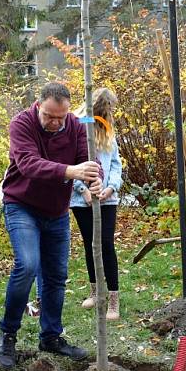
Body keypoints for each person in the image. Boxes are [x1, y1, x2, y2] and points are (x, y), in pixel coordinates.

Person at [0, 81, 102, 370]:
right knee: (27, 265)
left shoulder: (77, 126)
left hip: (56, 211)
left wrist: (96, 179)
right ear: (38, 106)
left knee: (56, 275)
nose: (55, 123)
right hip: (21, 206)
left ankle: (51, 336)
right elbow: (29, 164)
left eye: (60, 117)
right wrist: (70, 171)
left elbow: (89, 162)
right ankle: (7, 334)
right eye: (49, 116)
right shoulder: (22, 124)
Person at [70, 88, 123, 320]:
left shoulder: (109, 132)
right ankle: (95, 292)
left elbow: (115, 165)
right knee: (90, 244)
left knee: (106, 244)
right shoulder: (76, 126)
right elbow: (67, 163)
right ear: (102, 106)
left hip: (107, 197)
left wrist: (110, 188)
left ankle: (113, 298)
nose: (112, 112)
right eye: (110, 108)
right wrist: (83, 190)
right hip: (82, 200)